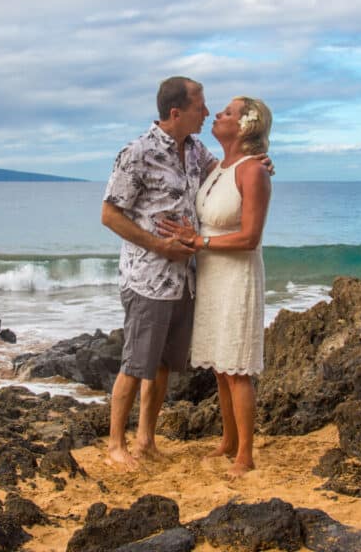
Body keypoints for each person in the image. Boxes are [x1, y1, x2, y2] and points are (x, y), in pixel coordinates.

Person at [100, 76, 217, 470]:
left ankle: (146, 440)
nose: (207, 112)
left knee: (164, 364)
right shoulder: (138, 153)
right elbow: (110, 214)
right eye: (200, 106)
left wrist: (256, 161)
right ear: (176, 112)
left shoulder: (198, 150)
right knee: (136, 364)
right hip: (147, 278)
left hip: (184, 279)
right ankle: (116, 445)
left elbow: (225, 177)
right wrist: (160, 246)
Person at [158, 96, 273, 478]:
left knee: (237, 366)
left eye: (226, 113)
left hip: (236, 275)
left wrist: (199, 242)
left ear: (244, 126)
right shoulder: (218, 166)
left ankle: (246, 455)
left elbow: (250, 238)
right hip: (211, 274)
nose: (217, 116)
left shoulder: (251, 171)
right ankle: (227, 440)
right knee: (222, 367)